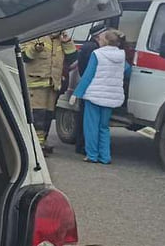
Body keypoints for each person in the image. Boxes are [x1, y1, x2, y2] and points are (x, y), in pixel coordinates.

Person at [72, 28, 128, 165]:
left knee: (91, 126)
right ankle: (105, 156)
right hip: (111, 97)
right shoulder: (122, 55)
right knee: (104, 127)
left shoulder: (97, 54)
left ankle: (92, 155)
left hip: (94, 95)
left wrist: (76, 93)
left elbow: (88, 76)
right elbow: (127, 70)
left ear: (105, 41)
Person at [21, 31, 76, 152]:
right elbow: (25, 57)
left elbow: (72, 58)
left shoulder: (61, 40)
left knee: (48, 116)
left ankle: (42, 142)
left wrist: (67, 42)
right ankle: (35, 145)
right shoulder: (35, 37)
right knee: (37, 115)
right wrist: (36, 49)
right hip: (36, 84)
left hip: (53, 85)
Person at [71, 28, 102, 155]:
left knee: (82, 116)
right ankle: (83, 145)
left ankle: (81, 144)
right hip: (91, 84)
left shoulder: (87, 46)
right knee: (87, 118)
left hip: (86, 82)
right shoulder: (93, 48)